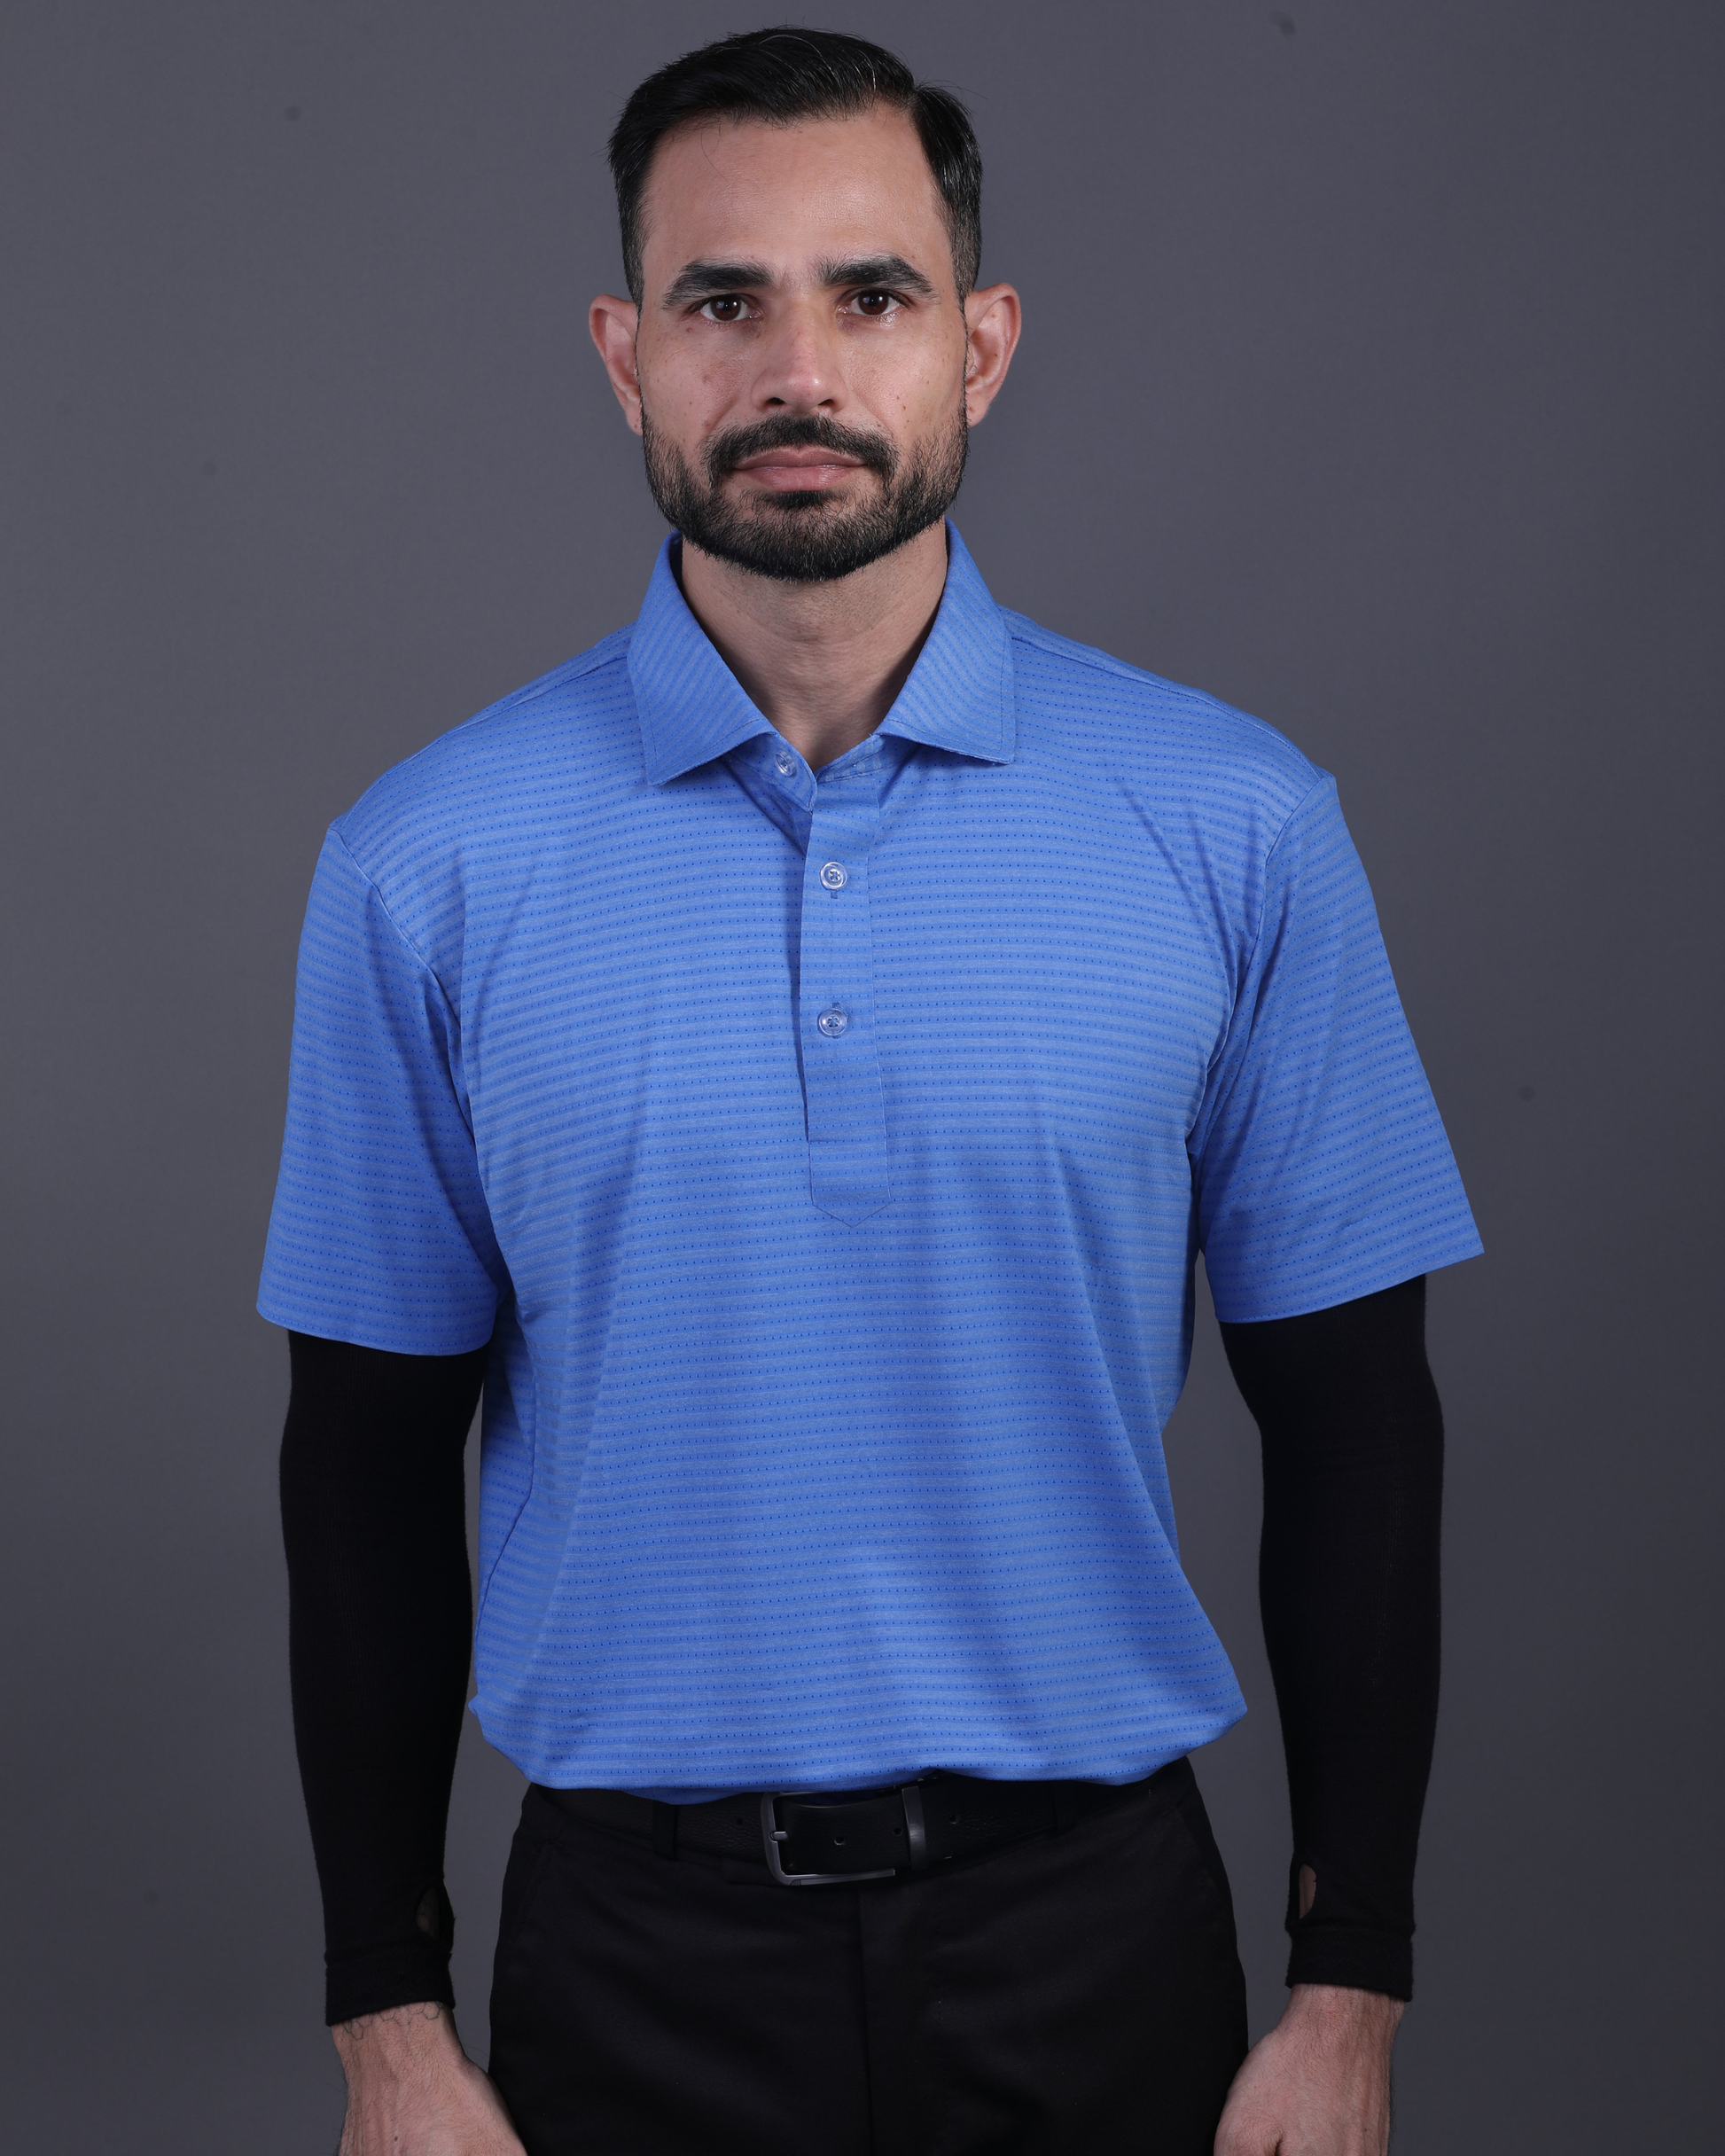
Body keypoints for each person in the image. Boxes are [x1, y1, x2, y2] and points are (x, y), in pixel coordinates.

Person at [262, 27, 1480, 2156]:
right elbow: (363, 1461)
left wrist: (1349, 1980)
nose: (796, 369)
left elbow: (1357, 1416)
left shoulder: (1235, 824)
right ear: (625, 355)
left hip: (1097, 1943)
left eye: (872, 295)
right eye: (722, 302)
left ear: (978, 346)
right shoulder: (424, 864)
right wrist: (387, 2017)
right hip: (628, 1963)